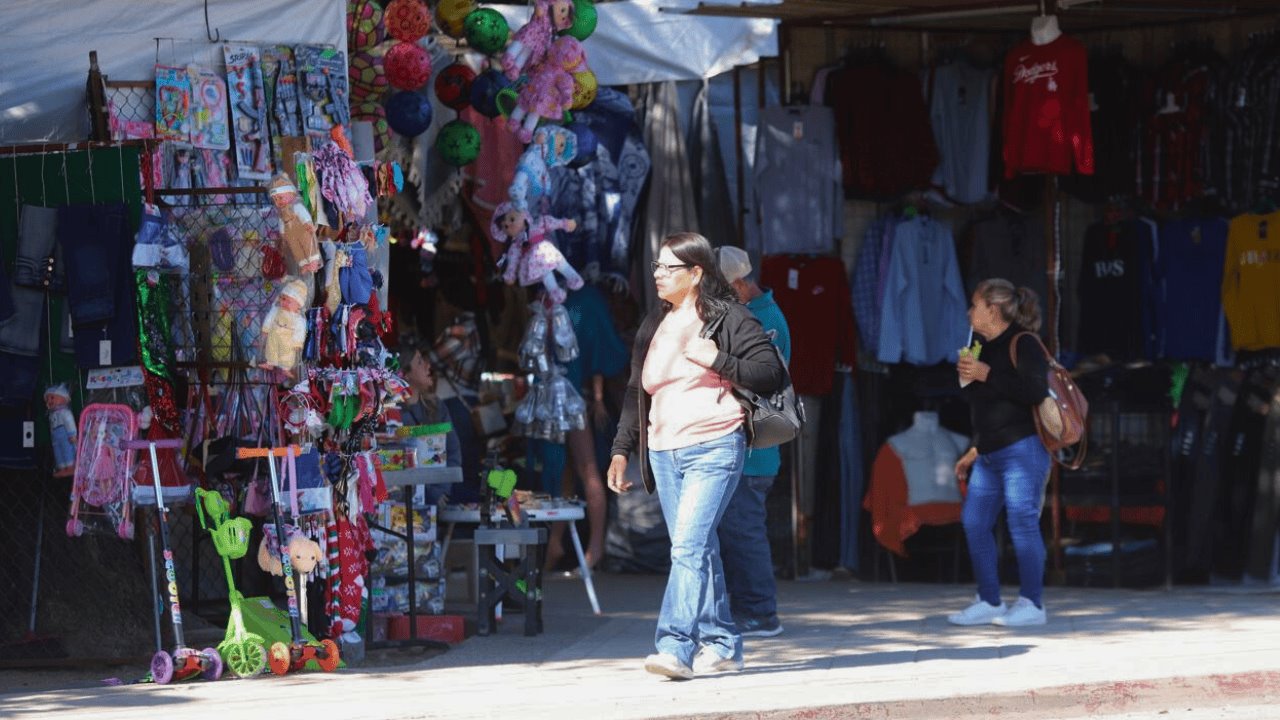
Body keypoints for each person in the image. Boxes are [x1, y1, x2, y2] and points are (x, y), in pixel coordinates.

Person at [608, 232, 785, 680]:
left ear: (696, 273)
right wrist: (620, 449)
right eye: (657, 267)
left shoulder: (728, 318)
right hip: (665, 453)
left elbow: (770, 373)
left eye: (669, 268)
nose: (658, 275)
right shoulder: (654, 323)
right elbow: (635, 391)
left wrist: (718, 360)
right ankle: (724, 643)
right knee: (696, 548)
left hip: (714, 447)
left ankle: (675, 646)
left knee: (686, 547)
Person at [950, 278, 1052, 627]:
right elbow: (980, 402)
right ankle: (990, 599)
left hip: (1023, 449)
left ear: (992, 310)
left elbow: (1036, 390)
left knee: (1022, 521)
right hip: (989, 452)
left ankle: (1032, 603)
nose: (969, 312)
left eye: (975, 305)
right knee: (974, 522)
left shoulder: (1024, 343)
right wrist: (973, 449)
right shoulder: (978, 343)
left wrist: (987, 374)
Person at [715, 246, 790, 638]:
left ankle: (761, 612)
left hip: (753, 451)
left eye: (723, 288)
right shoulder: (752, 316)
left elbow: (759, 381)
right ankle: (747, 608)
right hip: (745, 449)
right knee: (736, 532)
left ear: (741, 284)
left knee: (744, 533)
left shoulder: (764, 322)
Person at [401, 340, 465, 505]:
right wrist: (431, 493)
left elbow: (452, 450)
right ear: (405, 374)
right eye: (420, 362)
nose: (428, 366)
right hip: (400, 503)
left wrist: (442, 490)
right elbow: (392, 462)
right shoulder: (390, 414)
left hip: (438, 501)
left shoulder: (437, 408)